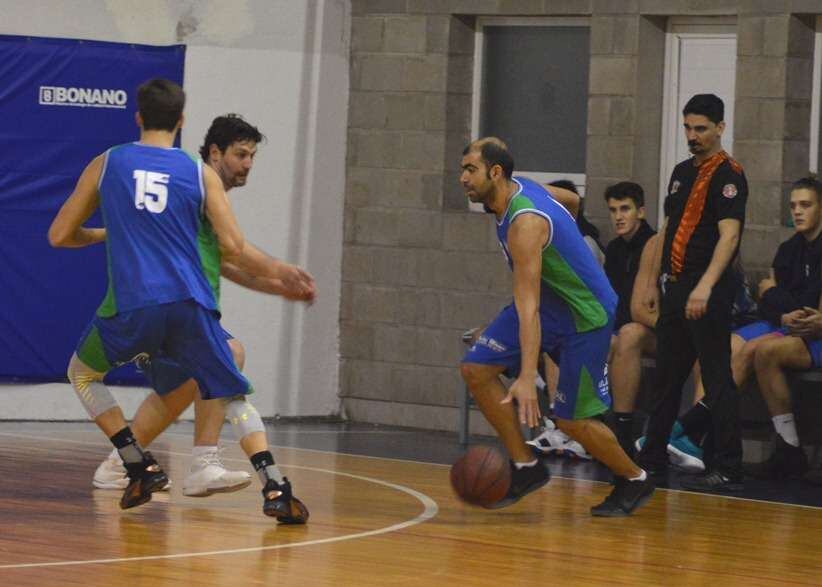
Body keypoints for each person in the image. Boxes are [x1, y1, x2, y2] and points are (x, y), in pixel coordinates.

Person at [48, 79, 311, 522]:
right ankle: (275, 486)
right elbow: (234, 247)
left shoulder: (107, 163)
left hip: (132, 307)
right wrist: (280, 270)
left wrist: (104, 234)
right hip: (189, 306)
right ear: (182, 120)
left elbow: (59, 235)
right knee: (229, 387)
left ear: (137, 117)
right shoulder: (197, 172)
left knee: (82, 374)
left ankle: (134, 461)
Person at [459, 137, 654, 517]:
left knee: (570, 419)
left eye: (470, 170)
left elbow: (527, 308)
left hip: (585, 314)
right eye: (462, 169)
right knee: (475, 369)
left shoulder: (525, 225)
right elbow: (572, 201)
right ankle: (526, 466)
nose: (462, 178)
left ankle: (634, 477)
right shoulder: (523, 187)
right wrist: (567, 234)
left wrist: (527, 377)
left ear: (495, 173)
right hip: (550, 302)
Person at [636, 93, 748, 492]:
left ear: (719, 128)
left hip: (708, 289)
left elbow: (729, 235)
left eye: (701, 129)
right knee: (667, 377)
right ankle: (651, 457)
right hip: (675, 285)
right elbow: (669, 230)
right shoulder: (682, 171)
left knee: (716, 377)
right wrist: (653, 279)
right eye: (687, 128)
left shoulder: (730, 176)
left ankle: (730, 464)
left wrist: (705, 286)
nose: (693, 135)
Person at [745, 177, 822, 479]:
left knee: (766, 351)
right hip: (800, 331)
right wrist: (774, 300)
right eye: (793, 206)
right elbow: (767, 305)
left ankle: (790, 449)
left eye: (806, 205)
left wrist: (772, 293)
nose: (798, 212)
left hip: (814, 334)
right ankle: (789, 448)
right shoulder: (789, 249)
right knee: (754, 349)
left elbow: (805, 307)